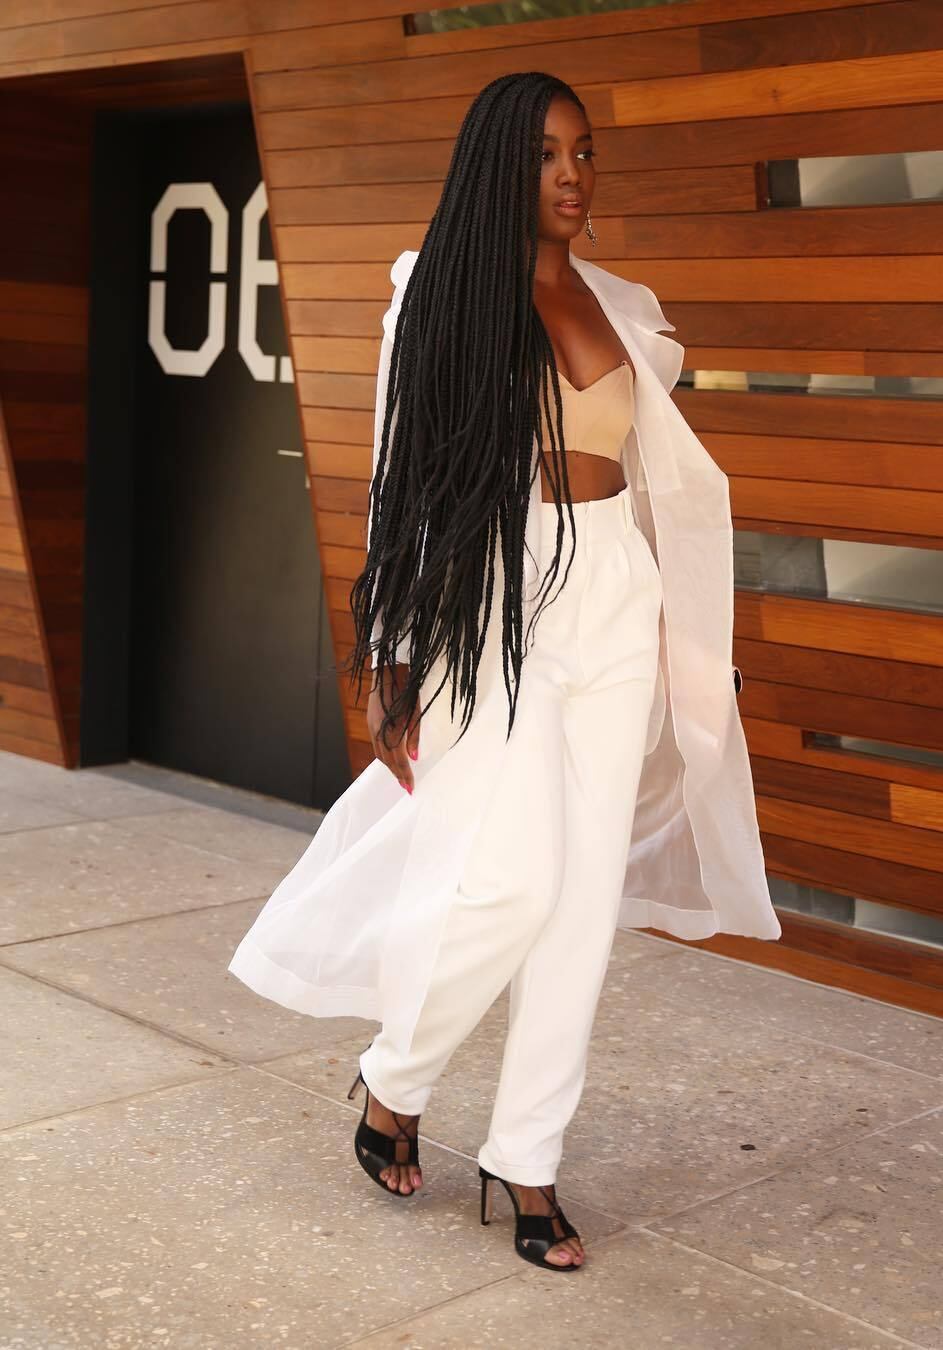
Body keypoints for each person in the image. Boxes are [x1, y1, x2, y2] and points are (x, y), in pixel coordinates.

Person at [228, 70, 782, 1274]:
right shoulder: (436, 293)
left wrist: (693, 647)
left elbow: (664, 488)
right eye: (545, 155)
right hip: (494, 600)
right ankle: (396, 1080)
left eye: (583, 152)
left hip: (614, 592)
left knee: (582, 901)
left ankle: (528, 1156)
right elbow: (400, 475)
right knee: (509, 886)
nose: (572, 175)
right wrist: (391, 655)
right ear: (499, 165)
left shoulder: (623, 306)